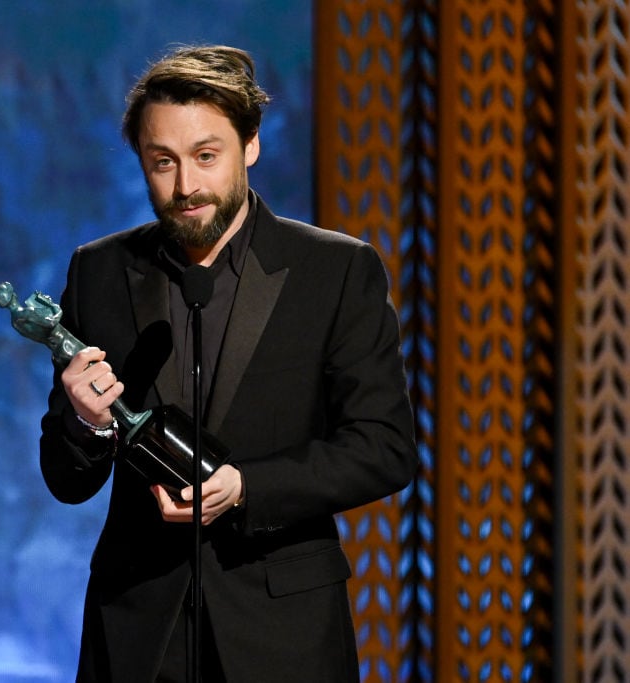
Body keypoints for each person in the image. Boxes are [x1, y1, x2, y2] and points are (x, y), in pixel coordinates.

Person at [38, 44, 417, 682]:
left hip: (283, 635)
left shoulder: (336, 271)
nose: (186, 187)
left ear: (251, 146)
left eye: (206, 157)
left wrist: (247, 488)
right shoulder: (99, 272)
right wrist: (83, 421)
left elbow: (383, 448)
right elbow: (66, 478)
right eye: (163, 162)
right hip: (136, 632)